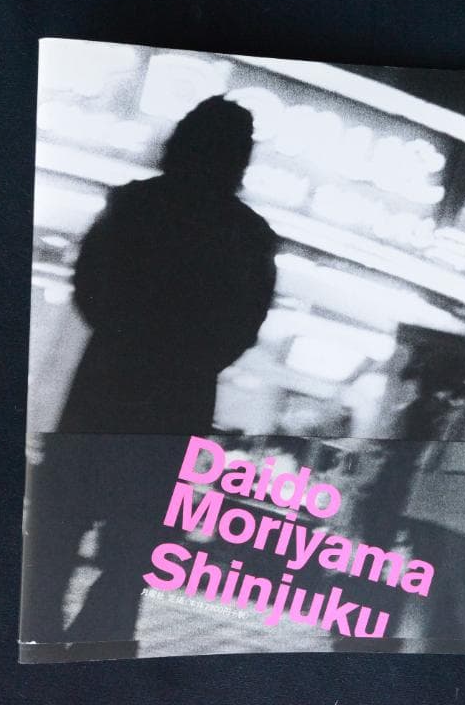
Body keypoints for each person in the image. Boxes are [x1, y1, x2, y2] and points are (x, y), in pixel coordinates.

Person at [20, 96, 277, 659]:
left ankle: (38, 639)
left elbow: (89, 286)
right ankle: (99, 649)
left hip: (105, 388)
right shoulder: (249, 235)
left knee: (56, 533)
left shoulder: (134, 203)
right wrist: (192, 358)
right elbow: (246, 323)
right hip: (175, 406)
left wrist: (127, 335)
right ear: (240, 159)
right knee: (135, 549)